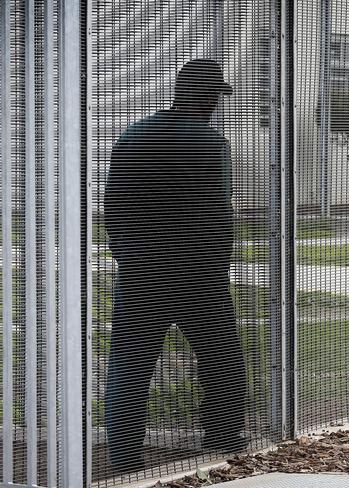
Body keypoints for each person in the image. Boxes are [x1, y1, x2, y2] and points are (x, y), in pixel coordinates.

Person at [104, 59, 247, 473]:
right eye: (217, 97)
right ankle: (222, 435)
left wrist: (127, 255)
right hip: (198, 274)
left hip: (143, 272)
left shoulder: (131, 136)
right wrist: (219, 262)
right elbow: (220, 210)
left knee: (130, 364)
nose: (217, 105)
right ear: (207, 98)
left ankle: (124, 455)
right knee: (221, 357)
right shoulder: (210, 142)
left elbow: (114, 205)